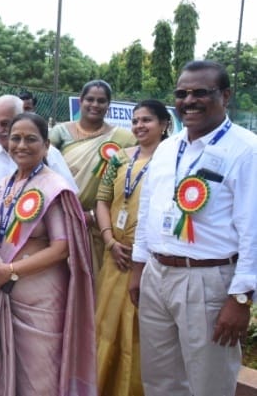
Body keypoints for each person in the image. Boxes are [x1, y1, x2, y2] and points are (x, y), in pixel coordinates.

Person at [0, 112, 96, 395]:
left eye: (30, 139)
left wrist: (11, 271)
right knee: (5, 373)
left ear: (46, 145)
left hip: (41, 301)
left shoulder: (54, 188)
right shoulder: (5, 185)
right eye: (16, 138)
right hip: (3, 292)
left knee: (40, 379)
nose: (21, 145)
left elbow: (61, 248)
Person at [129, 60, 257, 396]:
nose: (189, 101)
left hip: (208, 283)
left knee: (209, 384)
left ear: (225, 95)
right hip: (156, 275)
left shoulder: (247, 150)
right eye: (182, 93)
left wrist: (241, 298)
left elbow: (253, 229)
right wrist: (139, 266)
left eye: (201, 92)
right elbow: (147, 209)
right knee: (160, 381)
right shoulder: (167, 147)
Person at [0, 95, 76, 335]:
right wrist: (9, 234)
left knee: (31, 337)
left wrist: (23, 235)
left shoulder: (51, 157)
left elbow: (68, 204)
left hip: (36, 266)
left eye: (6, 124)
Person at [94, 99, 170, 396]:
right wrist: (110, 240)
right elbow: (102, 201)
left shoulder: (170, 160)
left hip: (148, 260)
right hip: (115, 254)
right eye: (135, 120)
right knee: (106, 324)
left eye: (146, 120)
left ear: (164, 124)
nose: (139, 125)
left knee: (140, 329)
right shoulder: (119, 158)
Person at [49, 79, 135, 278]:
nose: (95, 105)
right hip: (59, 216)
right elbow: (44, 172)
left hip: (97, 221)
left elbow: (127, 180)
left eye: (101, 101)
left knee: (93, 279)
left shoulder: (124, 139)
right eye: (90, 99)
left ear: (108, 104)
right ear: (81, 100)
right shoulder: (60, 132)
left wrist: (94, 215)